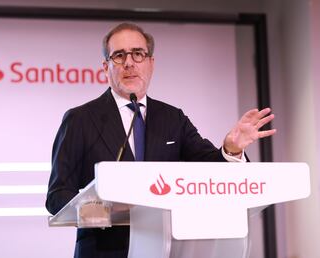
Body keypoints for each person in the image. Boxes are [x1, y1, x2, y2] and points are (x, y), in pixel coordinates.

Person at [45, 22, 276, 258]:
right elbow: (57, 197)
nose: (129, 62)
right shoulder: (80, 119)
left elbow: (210, 169)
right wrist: (104, 211)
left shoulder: (172, 118)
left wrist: (231, 148)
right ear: (106, 67)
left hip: (166, 250)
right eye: (118, 56)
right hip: (103, 251)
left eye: (138, 54)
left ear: (151, 64)